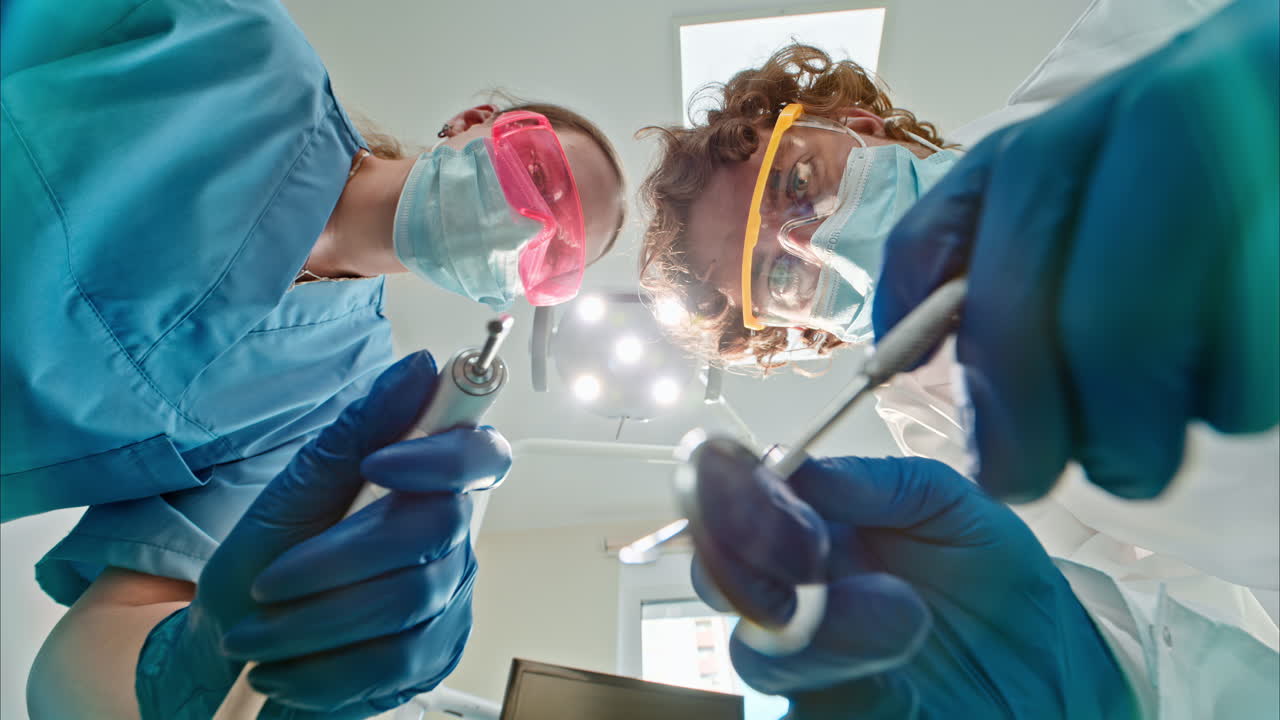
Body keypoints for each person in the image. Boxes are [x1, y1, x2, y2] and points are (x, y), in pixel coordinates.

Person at [638, 0, 1277, 716]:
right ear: (807, 328)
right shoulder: (940, 445)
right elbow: (1199, 632)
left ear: (858, 128)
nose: (805, 239)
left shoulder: (1125, 50)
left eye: (794, 186)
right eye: (778, 278)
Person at [1, 0, 624, 717]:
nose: (534, 224)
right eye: (542, 179)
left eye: (558, 253)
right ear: (471, 122)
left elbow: (78, 670)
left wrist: (208, 668)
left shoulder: (342, 397)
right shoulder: (234, 42)